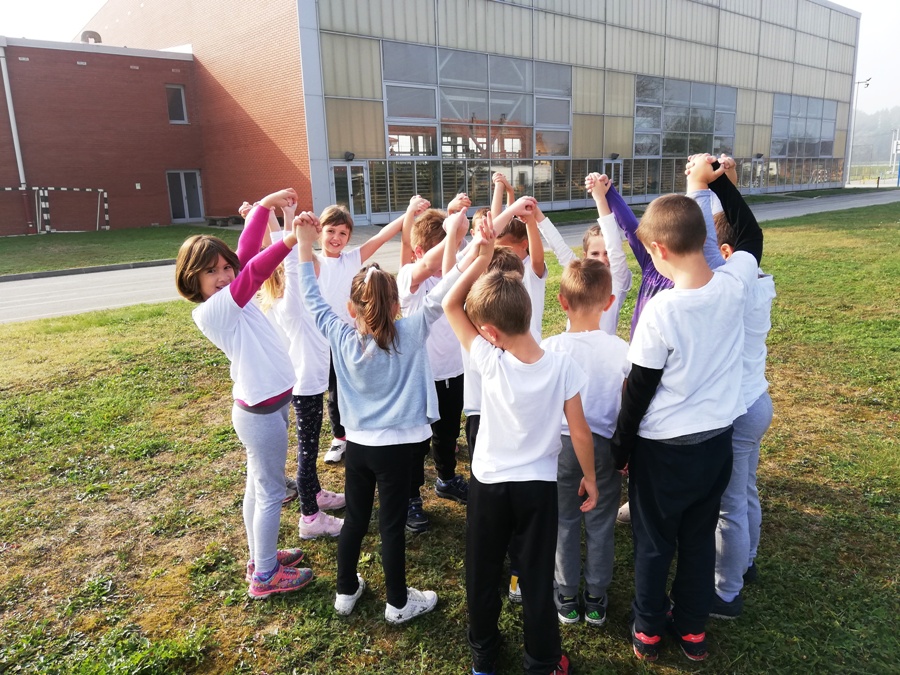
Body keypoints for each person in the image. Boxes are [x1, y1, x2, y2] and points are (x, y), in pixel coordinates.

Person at [610, 155, 763, 662]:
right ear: (704, 238)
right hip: (716, 443)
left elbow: (638, 391)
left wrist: (619, 453)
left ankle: (649, 629)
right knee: (698, 538)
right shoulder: (736, 284)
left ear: (656, 249)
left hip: (662, 452)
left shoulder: (662, 311)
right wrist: (719, 185)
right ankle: (693, 628)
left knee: (655, 543)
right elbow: (751, 236)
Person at [294, 207, 474, 624]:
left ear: (351, 307)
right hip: (398, 451)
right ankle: (398, 603)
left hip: (358, 448)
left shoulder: (339, 333)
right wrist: (471, 246)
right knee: (391, 525)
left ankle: (345, 591)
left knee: (356, 520)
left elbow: (311, 297)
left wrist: (304, 247)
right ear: (396, 305)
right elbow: (447, 287)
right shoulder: (411, 329)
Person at [443, 208, 599, 675]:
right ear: (529, 311)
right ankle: (543, 660)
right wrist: (591, 478)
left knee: (482, 572)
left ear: (489, 333)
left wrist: (481, 255)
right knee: (534, 576)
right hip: (538, 489)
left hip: (489, 485)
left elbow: (450, 304)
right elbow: (580, 431)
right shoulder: (563, 365)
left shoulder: (488, 359)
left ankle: (484, 655)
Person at [174, 189, 312, 599]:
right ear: (192, 279)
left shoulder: (231, 293)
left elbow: (246, 254)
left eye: (224, 267)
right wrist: (290, 239)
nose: (223, 275)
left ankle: (260, 557)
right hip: (260, 414)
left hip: (270, 406)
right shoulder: (214, 309)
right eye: (211, 271)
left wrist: (265, 207)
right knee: (270, 493)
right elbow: (252, 270)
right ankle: (265, 576)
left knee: (257, 488)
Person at [700, 156, 775, 619]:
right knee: (746, 489)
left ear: (727, 254)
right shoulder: (759, 281)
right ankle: (746, 562)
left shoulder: (731, 287)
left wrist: (704, 186)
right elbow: (743, 232)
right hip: (758, 402)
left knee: (729, 506)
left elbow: (711, 245)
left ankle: (726, 593)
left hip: (738, 408)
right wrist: (724, 184)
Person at [541, 258, 630, 627]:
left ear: (562, 301)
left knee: (563, 521)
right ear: (608, 302)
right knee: (601, 522)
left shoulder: (548, 348)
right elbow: (627, 404)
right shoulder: (622, 350)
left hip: (559, 449)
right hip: (604, 447)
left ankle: (565, 595)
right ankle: (595, 598)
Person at [315, 203, 418, 464]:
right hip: (323, 340)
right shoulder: (313, 261)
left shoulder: (351, 259)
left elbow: (381, 237)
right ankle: (340, 437)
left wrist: (409, 213)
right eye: (330, 231)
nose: (336, 238)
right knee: (332, 392)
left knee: (351, 387)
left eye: (342, 233)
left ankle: (358, 429)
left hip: (354, 339)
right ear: (319, 232)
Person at [397, 194, 471, 533]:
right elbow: (429, 265)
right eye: (444, 250)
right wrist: (452, 232)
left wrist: (458, 222)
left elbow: (471, 251)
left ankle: (446, 478)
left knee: (447, 432)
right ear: (418, 251)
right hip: (420, 376)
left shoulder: (454, 271)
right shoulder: (409, 278)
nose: (450, 258)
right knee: (416, 442)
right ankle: (411, 497)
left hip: (453, 370)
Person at [532, 173, 633, 336]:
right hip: (571, 350)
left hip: (602, 351)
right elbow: (560, 248)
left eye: (607, 253)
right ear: (585, 256)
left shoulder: (618, 281)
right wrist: (537, 214)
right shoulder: (579, 274)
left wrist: (600, 199)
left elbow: (614, 244)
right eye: (595, 253)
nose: (602, 260)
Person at [491, 173, 547, 341]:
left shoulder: (531, 268)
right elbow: (493, 226)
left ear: (524, 244)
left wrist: (530, 221)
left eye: (506, 248)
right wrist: (500, 187)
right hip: (503, 344)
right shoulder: (498, 267)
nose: (499, 252)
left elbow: (538, 258)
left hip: (531, 345)